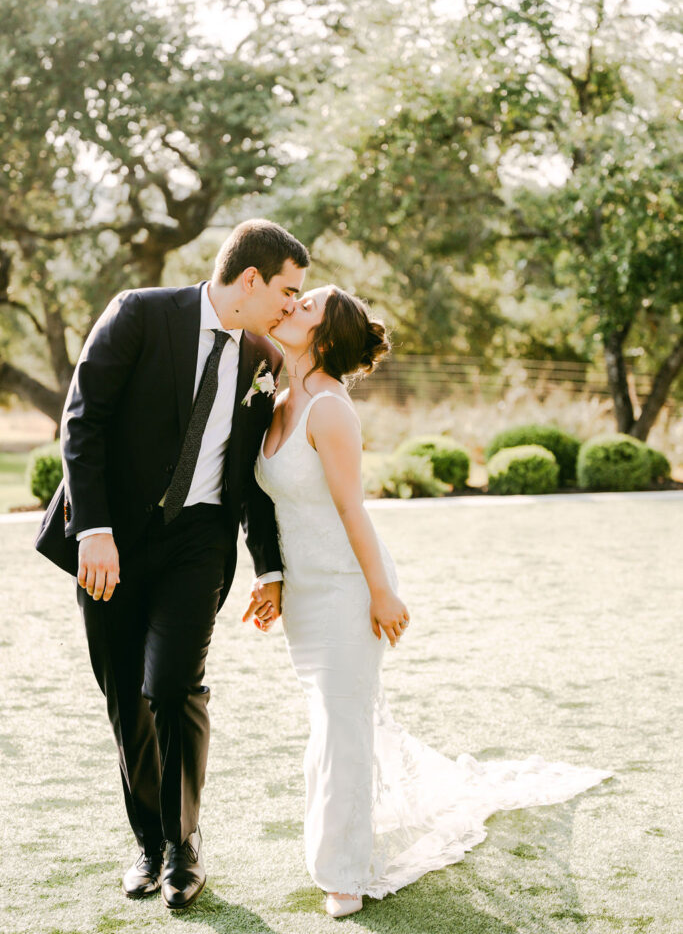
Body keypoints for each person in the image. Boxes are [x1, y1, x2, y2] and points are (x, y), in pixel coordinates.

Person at [245, 285, 614, 919]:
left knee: (342, 727)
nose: (292, 308)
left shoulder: (330, 410)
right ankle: (334, 847)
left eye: (306, 307)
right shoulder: (277, 398)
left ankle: (344, 871)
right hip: (305, 593)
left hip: (349, 587)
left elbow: (351, 509)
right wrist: (271, 577)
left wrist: (383, 593)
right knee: (329, 724)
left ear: (327, 337)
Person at [35, 219, 309, 910]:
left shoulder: (262, 357)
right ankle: (149, 845)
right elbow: (83, 420)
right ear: (248, 279)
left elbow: (250, 475)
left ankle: (184, 845)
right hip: (111, 542)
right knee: (126, 695)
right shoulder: (139, 313)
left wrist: (267, 567)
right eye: (286, 290)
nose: (289, 306)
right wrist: (93, 529)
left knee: (172, 686)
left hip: (197, 544)